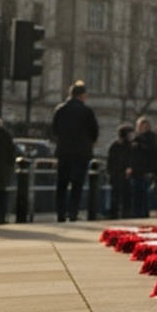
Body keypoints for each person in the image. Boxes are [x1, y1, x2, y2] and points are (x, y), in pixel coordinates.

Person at [51, 81, 99, 222]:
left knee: (62, 184)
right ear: (82, 96)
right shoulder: (87, 111)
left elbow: (54, 130)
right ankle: (73, 212)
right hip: (81, 153)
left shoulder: (60, 109)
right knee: (77, 185)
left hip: (64, 151)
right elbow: (94, 131)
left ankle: (60, 213)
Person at [128, 117, 157, 217]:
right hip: (136, 172)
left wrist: (151, 171)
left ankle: (144, 214)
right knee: (136, 196)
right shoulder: (134, 139)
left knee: (145, 196)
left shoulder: (151, 138)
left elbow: (152, 153)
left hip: (146, 172)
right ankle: (136, 214)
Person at [106, 124, 133, 219]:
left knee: (126, 197)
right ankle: (114, 215)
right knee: (116, 197)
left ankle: (125, 214)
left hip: (125, 175)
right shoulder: (116, 146)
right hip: (117, 175)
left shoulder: (129, 146)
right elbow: (111, 162)